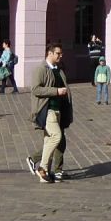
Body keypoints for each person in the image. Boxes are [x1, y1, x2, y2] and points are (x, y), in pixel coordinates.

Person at [29, 42, 71, 183]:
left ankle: (45, 172)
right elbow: (35, 89)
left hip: (59, 110)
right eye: (58, 53)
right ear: (50, 53)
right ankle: (41, 167)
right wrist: (56, 91)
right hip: (46, 109)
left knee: (49, 140)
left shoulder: (58, 69)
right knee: (56, 136)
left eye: (61, 53)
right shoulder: (41, 69)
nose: (60, 56)